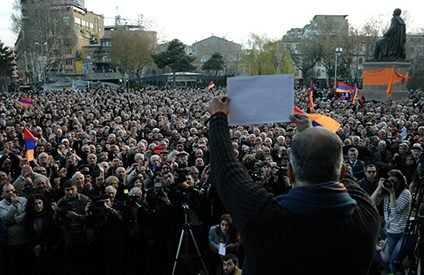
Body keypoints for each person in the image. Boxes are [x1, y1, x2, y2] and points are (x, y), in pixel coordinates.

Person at [207, 95, 380, 274]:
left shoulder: (266, 219)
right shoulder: (367, 216)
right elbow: (344, 178)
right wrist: (309, 133)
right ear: (343, 172)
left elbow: (227, 170)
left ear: (290, 173)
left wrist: (218, 116)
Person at [371, 169, 412, 273]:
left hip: (404, 233)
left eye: (394, 182)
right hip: (391, 232)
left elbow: (394, 212)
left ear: (400, 182)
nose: (392, 184)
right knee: (386, 260)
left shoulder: (405, 193)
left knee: (395, 261)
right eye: (390, 181)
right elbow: (370, 202)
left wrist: (392, 193)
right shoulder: (386, 193)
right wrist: (380, 186)